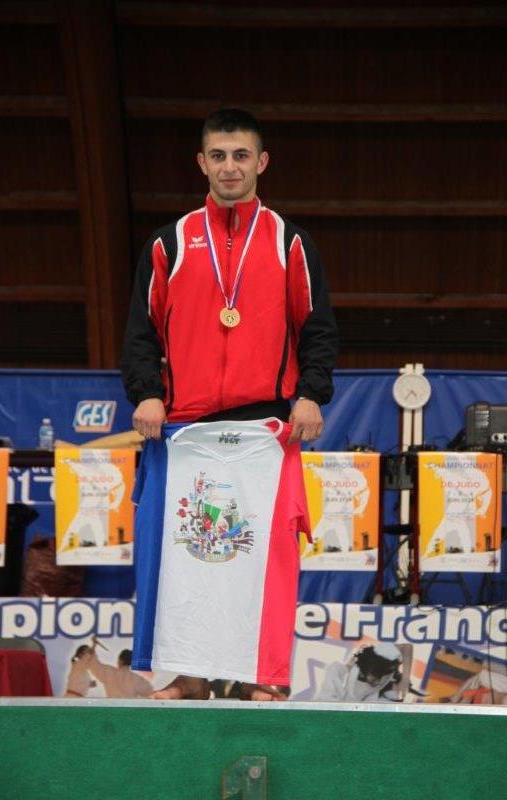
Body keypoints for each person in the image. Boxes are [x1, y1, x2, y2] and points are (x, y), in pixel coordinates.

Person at [121, 108, 338, 701]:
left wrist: (311, 394)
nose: (230, 166)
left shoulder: (290, 242)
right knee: (184, 557)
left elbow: (318, 329)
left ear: (261, 162)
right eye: (218, 155)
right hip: (183, 429)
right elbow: (141, 331)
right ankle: (188, 674)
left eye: (241, 155)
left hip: (264, 428)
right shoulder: (169, 243)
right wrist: (146, 392)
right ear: (202, 163)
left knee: (262, 559)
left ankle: (261, 676)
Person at [314, 643, 412, 703]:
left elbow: (406, 647)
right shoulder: (343, 677)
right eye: (373, 680)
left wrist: (405, 679)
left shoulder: (383, 667)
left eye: (379, 678)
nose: (377, 682)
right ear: (362, 673)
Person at [87, 647, 153, 699]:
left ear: (120, 661)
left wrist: (92, 649)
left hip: (112, 708)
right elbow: (150, 692)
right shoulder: (137, 679)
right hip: (129, 709)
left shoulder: (109, 673)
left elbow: (93, 664)